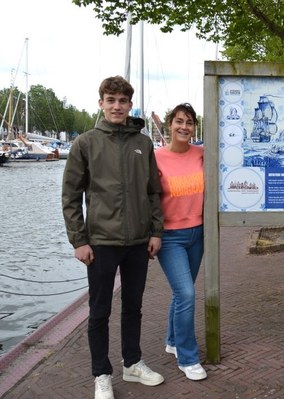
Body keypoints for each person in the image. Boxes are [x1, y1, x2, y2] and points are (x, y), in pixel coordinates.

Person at [62, 76, 165, 399]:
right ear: (101, 103)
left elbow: (153, 191)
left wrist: (155, 231)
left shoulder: (143, 143)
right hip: (101, 243)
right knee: (100, 310)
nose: (117, 106)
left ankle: (132, 363)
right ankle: (101, 373)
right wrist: (79, 240)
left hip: (137, 242)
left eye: (123, 101)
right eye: (111, 100)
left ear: (130, 105)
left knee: (133, 306)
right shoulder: (86, 143)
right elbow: (70, 195)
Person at [154, 103, 207, 381]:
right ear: (169, 125)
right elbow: (149, 198)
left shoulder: (202, 154)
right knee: (186, 294)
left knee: (181, 293)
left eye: (189, 122)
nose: (184, 127)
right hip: (170, 237)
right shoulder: (156, 158)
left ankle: (173, 341)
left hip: (198, 233)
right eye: (178, 121)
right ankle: (188, 358)